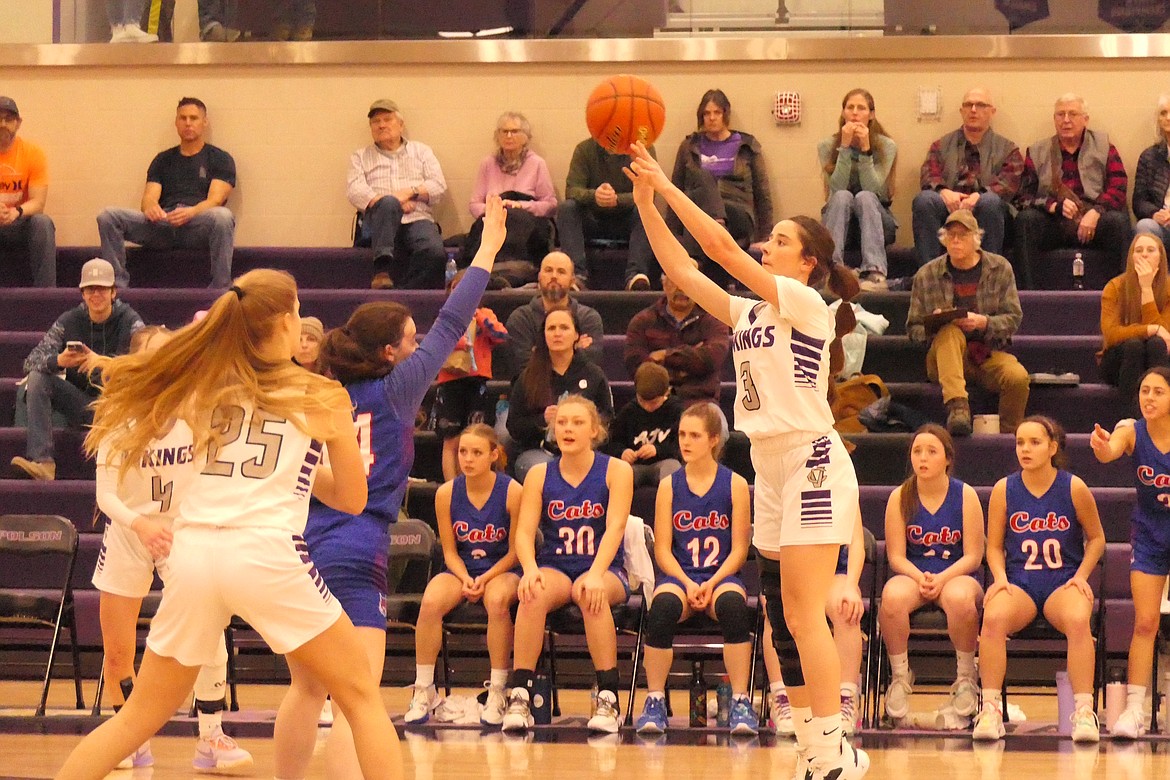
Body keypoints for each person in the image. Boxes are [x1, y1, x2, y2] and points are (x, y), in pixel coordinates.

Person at [54, 268, 400, 780]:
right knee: (361, 696)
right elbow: (352, 498)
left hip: (192, 553)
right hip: (264, 550)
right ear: (285, 322)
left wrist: (302, 471)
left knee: (138, 717)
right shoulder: (323, 394)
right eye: (300, 311)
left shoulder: (206, 383)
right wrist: (313, 468)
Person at [625, 141, 869, 780]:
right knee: (781, 613)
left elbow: (723, 251)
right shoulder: (749, 310)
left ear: (807, 261)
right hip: (768, 462)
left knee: (801, 609)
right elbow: (683, 271)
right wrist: (647, 202)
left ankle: (830, 746)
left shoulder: (810, 304)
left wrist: (671, 187)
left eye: (781, 240)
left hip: (812, 458)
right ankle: (816, 739)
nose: (768, 245)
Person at [272, 197, 508, 779]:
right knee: (359, 696)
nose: (418, 342)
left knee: (305, 686)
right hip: (357, 543)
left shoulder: (315, 390)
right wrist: (488, 249)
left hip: (300, 540)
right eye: (409, 338)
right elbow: (454, 321)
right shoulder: (397, 391)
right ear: (388, 352)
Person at [90, 325, 251, 773]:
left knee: (209, 625)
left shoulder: (197, 408)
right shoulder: (118, 416)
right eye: (157, 353)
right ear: (138, 361)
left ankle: (210, 736)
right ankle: (130, 739)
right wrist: (139, 524)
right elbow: (106, 495)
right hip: (130, 530)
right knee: (117, 647)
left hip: (182, 531)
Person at [500, 395, 634, 734]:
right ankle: (520, 694)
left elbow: (616, 527)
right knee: (531, 592)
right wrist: (529, 569)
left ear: (595, 430)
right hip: (556, 565)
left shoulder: (617, 470)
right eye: (562, 422)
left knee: (591, 594)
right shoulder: (538, 475)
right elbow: (524, 533)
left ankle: (607, 697)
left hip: (605, 567)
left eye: (577, 422)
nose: (568, 429)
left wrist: (595, 574)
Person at [973, 416, 1105, 743]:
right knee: (993, 617)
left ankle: (1085, 712)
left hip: (1063, 582)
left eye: (1034, 442)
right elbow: (993, 545)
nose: (1025, 449)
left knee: (1078, 618)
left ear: (1052, 447)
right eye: (1020, 443)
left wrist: (1082, 576)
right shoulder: (1005, 488)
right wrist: (1000, 578)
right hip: (1020, 584)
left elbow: (1098, 539)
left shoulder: (1073, 486)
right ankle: (990, 710)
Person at [634, 401, 754, 734]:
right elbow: (662, 549)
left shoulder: (735, 485)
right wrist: (688, 582)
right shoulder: (669, 485)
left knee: (733, 607)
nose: (685, 442)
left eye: (695, 435)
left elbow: (740, 550)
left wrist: (712, 582)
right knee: (661, 608)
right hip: (680, 576)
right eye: (683, 434)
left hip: (722, 575)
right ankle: (656, 700)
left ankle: (742, 701)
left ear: (714, 439)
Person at [404, 424, 522, 726]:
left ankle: (498, 690)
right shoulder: (446, 493)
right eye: (463, 452)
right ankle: (424, 688)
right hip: (461, 569)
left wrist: (485, 579)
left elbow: (516, 551)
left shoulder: (512, 491)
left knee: (496, 600)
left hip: (502, 568)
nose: (467, 459)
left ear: (493, 455)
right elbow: (450, 552)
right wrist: (466, 577)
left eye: (477, 453)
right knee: (430, 602)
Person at [878, 424, 985, 723]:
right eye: (917, 451)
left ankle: (966, 678)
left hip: (956, 573)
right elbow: (896, 556)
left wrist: (942, 578)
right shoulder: (900, 497)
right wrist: (920, 577)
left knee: (961, 597)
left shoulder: (966, 496)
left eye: (932, 451)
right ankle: (900, 677)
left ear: (948, 459)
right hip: (914, 574)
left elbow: (974, 555)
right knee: (891, 597)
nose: (923, 458)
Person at [1089, 366, 1170, 738]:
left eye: (1158, 392)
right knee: (1145, 622)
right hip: (1151, 535)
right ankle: (1136, 710)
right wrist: (1104, 448)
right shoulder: (1132, 430)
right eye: (1144, 391)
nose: (1149, 398)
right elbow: (1112, 451)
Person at [11, 259, 143, 481]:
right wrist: (59, 361)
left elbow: (145, 366)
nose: (95, 294)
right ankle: (43, 461)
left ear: (113, 292)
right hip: (81, 404)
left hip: (119, 409)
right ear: (82, 294)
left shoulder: (130, 321)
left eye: (101, 288)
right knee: (37, 378)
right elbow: (30, 362)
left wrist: (102, 362)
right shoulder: (68, 320)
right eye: (90, 289)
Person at [906, 209, 1029, 436]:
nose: (955, 241)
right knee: (950, 330)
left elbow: (1013, 318)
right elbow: (912, 328)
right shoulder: (926, 275)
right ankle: (958, 407)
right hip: (943, 358)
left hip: (985, 353)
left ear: (976, 239)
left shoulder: (1000, 269)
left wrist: (984, 322)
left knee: (1018, 377)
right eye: (950, 235)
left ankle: (1010, 435)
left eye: (962, 236)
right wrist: (934, 322)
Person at [96, 97, 237, 289]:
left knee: (223, 217)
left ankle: (220, 287)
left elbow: (216, 199)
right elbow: (148, 198)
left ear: (204, 122)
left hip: (197, 226)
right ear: (176, 122)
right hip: (164, 224)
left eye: (194, 118)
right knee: (108, 216)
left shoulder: (220, 158)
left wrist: (191, 212)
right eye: (183, 118)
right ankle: (118, 286)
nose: (188, 123)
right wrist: (151, 208)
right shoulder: (163, 159)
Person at [765, 514, 867, 738]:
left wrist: (851, 585)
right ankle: (782, 698)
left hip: (834, 574)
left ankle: (846, 698)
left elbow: (857, 543)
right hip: (796, 573)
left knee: (845, 606)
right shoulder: (785, 482)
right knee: (773, 607)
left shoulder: (842, 480)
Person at [1014, 93, 1129, 289]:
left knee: (1118, 222)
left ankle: (1121, 296)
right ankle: (1029, 298)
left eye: (1073, 114)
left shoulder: (1104, 147)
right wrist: (1053, 206)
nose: (1066, 120)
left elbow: (1118, 188)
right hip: (1054, 222)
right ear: (1054, 119)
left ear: (1085, 119)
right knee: (1025, 221)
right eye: (1060, 114)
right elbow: (1023, 197)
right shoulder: (1037, 151)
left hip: (1093, 220)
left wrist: (1096, 212)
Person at [669, 89, 773, 290]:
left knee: (705, 180)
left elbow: (763, 194)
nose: (712, 118)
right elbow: (675, 189)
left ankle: (697, 259)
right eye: (707, 114)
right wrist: (673, 234)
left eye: (717, 112)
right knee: (703, 183)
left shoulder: (746, 146)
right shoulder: (690, 146)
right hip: (697, 217)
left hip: (738, 215)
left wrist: (765, 237)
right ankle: (716, 228)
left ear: (726, 114)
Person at [912, 87, 1023, 265]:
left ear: (992, 111)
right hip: (949, 207)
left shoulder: (1008, 149)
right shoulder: (940, 145)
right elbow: (928, 175)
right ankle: (929, 274)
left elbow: (1009, 183)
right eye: (968, 105)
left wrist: (979, 196)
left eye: (980, 105)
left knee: (990, 202)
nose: (973, 110)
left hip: (986, 208)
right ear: (961, 111)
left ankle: (988, 274)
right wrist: (943, 191)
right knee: (924, 200)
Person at [347, 99, 448, 290]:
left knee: (434, 253)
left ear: (401, 125)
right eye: (376, 122)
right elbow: (355, 190)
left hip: (417, 218)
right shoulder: (360, 156)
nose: (382, 125)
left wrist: (411, 192)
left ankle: (404, 294)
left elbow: (438, 185)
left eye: (387, 119)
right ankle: (382, 270)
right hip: (379, 221)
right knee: (388, 205)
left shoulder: (422, 151)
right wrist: (392, 202)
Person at [506, 308, 613, 482]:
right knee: (542, 471)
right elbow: (514, 426)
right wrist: (542, 421)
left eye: (564, 328)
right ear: (544, 336)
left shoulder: (594, 374)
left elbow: (606, 418)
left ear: (576, 335)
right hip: (539, 451)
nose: (557, 333)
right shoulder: (529, 376)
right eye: (551, 328)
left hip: (585, 452)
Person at [817, 88, 898, 291]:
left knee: (865, 196)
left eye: (861, 108)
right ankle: (831, 271)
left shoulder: (887, 146)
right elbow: (836, 188)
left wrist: (866, 150)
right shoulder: (827, 146)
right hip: (838, 219)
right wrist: (844, 148)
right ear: (843, 113)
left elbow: (874, 188)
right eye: (849, 107)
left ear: (871, 115)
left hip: (876, 220)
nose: (854, 113)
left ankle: (875, 273)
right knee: (843, 196)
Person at [623, 258, 731, 406]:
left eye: (688, 281)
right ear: (664, 283)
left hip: (701, 403)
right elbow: (636, 367)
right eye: (675, 279)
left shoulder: (714, 319)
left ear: (699, 285)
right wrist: (688, 364)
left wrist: (664, 356)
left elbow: (711, 359)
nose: (681, 287)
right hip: (654, 403)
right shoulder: (642, 321)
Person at [434, 269, 508, 480]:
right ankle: (451, 486)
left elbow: (501, 335)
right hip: (451, 382)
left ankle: (473, 482)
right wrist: (460, 343)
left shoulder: (486, 314)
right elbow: (437, 344)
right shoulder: (446, 317)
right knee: (451, 438)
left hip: (477, 381)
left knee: (475, 435)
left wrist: (481, 318)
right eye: (457, 288)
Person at [558, 137, 657, 290]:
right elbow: (572, 190)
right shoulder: (584, 149)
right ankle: (577, 275)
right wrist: (594, 196)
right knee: (567, 208)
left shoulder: (642, 150)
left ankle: (635, 275)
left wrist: (618, 199)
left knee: (646, 210)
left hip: (626, 220)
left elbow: (650, 192)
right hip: (593, 220)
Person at [464, 111, 557, 266]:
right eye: (504, 131)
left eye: (514, 131)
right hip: (494, 222)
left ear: (525, 137)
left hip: (527, 225)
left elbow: (550, 204)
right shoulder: (487, 163)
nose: (508, 136)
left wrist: (522, 206)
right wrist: (495, 210)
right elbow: (474, 204)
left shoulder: (537, 163)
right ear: (497, 136)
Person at [1098, 234, 1170, 415]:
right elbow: (1111, 334)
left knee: (1156, 344)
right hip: (1120, 360)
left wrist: (1146, 289)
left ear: (1161, 258)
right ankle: (1131, 420)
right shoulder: (1114, 287)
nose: (1144, 255)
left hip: (1160, 355)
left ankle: (1162, 417)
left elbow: (1165, 336)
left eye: (1150, 250)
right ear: (1131, 258)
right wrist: (1149, 329)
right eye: (1139, 251)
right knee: (1134, 346)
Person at [501, 251, 603, 378]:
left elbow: (591, 366)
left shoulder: (588, 318)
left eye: (561, 271)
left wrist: (539, 352)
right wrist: (573, 348)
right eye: (548, 270)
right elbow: (522, 368)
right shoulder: (520, 319)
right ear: (539, 277)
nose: (554, 276)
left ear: (572, 281)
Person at [0, 96, 55, 287]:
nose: (3, 124)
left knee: (42, 222)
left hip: (18, 224)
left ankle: (46, 296)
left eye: (8, 119)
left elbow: (38, 203)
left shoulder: (33, 153)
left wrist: (16, 212)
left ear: (18, 123)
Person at [604, 362, 683, 488]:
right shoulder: (629, 411)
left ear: (666, 393)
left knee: (673, 469)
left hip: (665, 462)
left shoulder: (677, 411)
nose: (647, 407)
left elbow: (681, 446)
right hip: (635, 466)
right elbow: (610, 442)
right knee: (619, 473)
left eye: (654, 403)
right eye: (642, 401)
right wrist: (623, 452)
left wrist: (658, 450)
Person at [1133, 94, 1170, 246]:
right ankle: (1145, 271)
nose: (1168, 118)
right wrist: (1155, 214)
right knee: (1144, 227)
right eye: (1163, 113)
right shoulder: (1149, 157)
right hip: (1162, 224)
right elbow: (1139, 201)